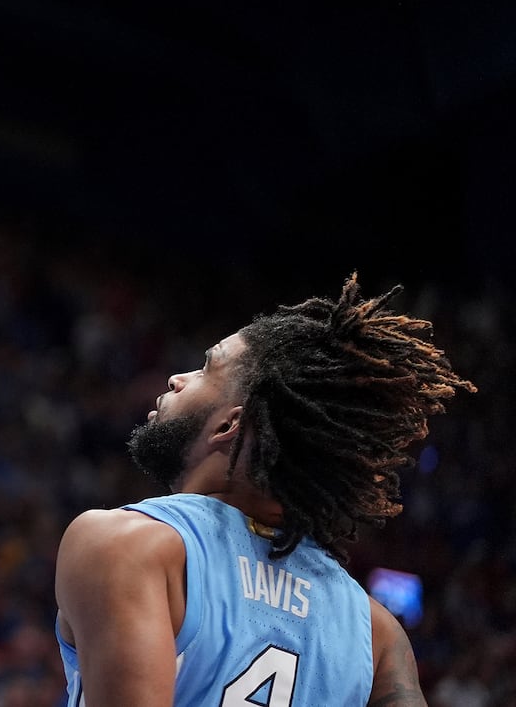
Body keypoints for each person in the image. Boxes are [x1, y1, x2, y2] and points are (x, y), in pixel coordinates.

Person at [54, 275, 476, 706]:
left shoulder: (127, 545)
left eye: (206, 369)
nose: (177, 379)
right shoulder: (378, 634)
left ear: (228, 425)